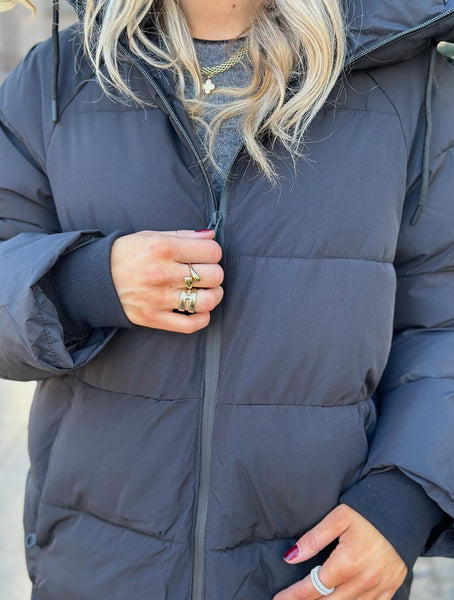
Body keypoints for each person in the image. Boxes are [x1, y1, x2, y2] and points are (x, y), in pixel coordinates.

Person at [0, 0, 453, 598]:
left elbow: (443, 319)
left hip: (316, 573)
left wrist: (404, 501)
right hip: (97, 568)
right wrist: (83, 283)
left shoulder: (415, 86)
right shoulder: (54, 78)